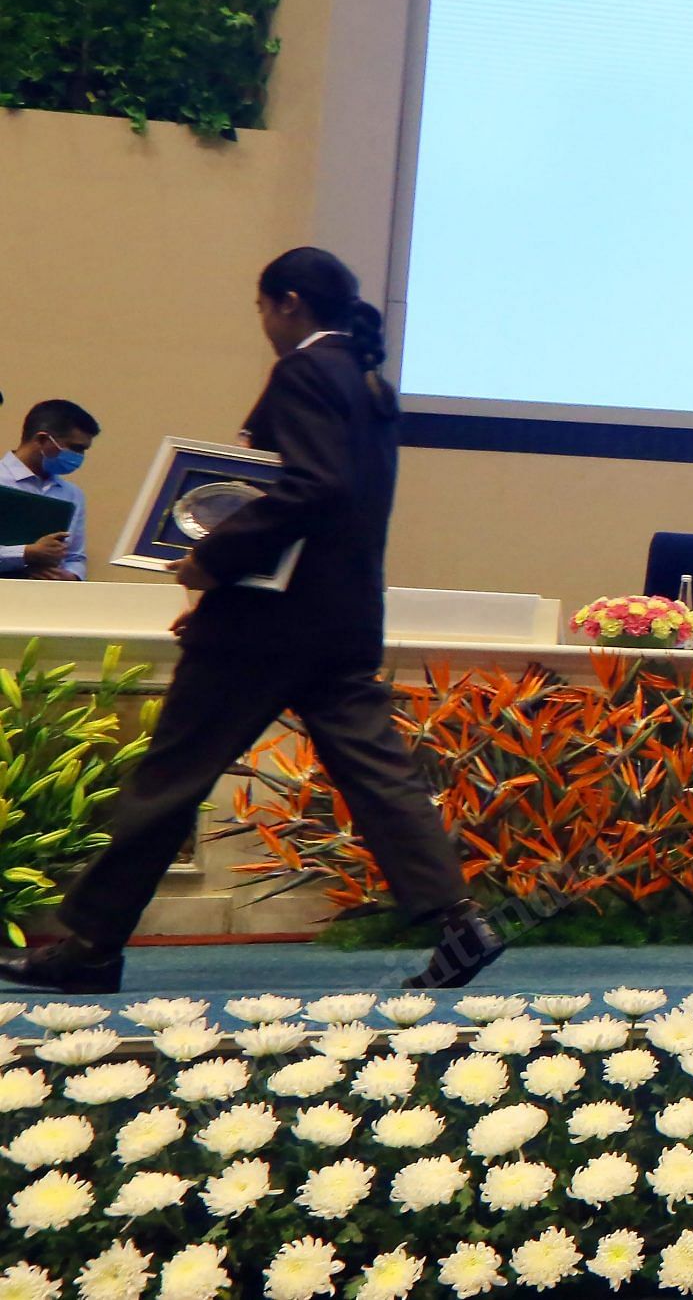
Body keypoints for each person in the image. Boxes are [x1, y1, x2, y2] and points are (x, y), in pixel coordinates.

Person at [0, 249, 499, 995]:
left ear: (289, 302)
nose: (262, 322)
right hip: (345, 614)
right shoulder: (368, 383)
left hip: (265, 624)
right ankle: (459, 918)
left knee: (169, 777)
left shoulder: (304, 372)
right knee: (379, 774)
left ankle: (90, 947)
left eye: (262, 308)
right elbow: (339, 496)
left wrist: (212, 565)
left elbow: (307, 487)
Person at [0, 399, 98, 580]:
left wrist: (70, 576)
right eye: (75, 448)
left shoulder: (72, 494)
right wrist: (27, 553)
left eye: (84, 450)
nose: (79, 457)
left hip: (46, 600)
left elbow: (76, 557)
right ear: (42, 439)